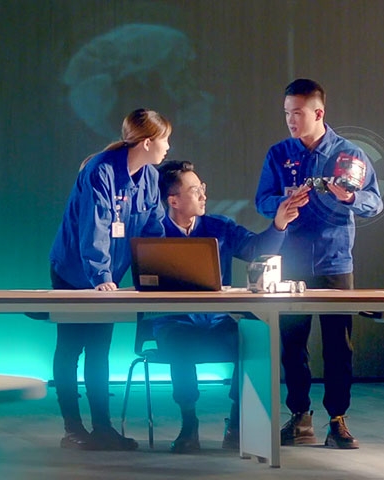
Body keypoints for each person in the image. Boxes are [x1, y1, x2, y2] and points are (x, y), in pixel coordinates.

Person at [254, 79, 382, 450]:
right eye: (287, 113)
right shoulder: (279, 153)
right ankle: (299, 415)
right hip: (291, 262)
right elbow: (262, 200)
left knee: (339, 346)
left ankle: (338, 420)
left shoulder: (348, 153)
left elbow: (374, 201)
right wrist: (283, 202)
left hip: (334, 261)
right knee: (292, 344)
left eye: (298, 113)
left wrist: (351, 197)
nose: (291, 120)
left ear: (318, 113)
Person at [151, 160, 302, 454]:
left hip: (216, 321)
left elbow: (257, 249)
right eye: (195, 190)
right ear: (173, 200)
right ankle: (189, 424)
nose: (203, 195)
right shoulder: (153, 231)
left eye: (202, 188)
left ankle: (236, 423)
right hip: (174, 322)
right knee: (179, 343)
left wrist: (279, 224)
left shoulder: (219, 227)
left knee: (255, 342)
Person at [48, 108, 170, 451]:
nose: (168, 148)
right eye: (165, 140)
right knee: (71, 348)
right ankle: (73, 428)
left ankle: (102, 427)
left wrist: (163, 270)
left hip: (108, 279)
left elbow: (154, 229)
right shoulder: (100, 170)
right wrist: (100, 275)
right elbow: (96, 226)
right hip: (74, 272)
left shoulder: (149, 177)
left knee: (99, 350)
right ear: (147, 142)